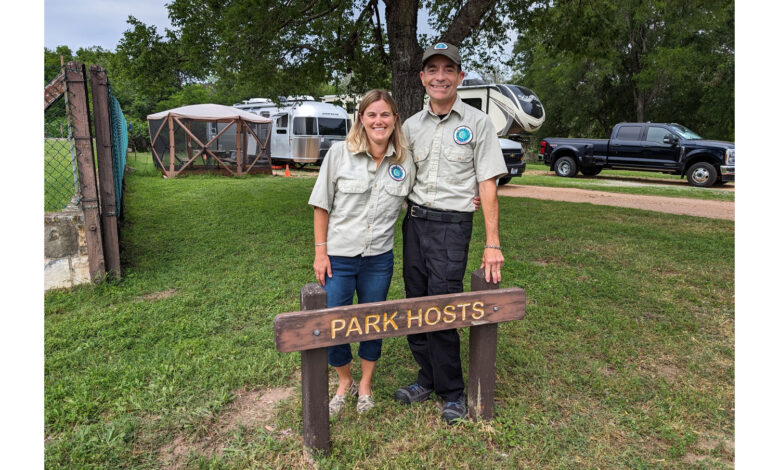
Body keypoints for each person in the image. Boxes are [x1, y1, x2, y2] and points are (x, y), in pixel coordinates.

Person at [394, 42, 508, 424]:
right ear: (422, 77)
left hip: (452, 226)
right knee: (415, 303)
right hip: (415, 223)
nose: (440, 77)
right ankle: (427, 378)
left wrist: (492, 244)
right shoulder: (409, 127)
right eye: (432, 70)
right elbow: (398, 178)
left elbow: (487, 183)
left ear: (459, 77)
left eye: (448, 69)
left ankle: (452, 391)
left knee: (442, 306)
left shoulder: (478, 123)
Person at [308, 90, 415, 417]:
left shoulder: (405, 160)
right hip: (339, 257)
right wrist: (320, 252)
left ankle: (365, 385)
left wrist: (470, 198)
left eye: (385, 115)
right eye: (372, 115)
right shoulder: (340, 153)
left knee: (373, 321)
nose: (378, 121)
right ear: (362, 119)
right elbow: (321, 204)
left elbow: (424, 196)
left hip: (379, 259)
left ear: (395, 119)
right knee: (335, 322)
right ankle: (344, 381)